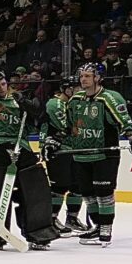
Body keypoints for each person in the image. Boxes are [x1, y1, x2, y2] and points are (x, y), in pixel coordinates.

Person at [0, 69, 57, 250]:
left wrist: (35, 112)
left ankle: (39, 233)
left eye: (3, 84)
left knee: (36, 188)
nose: (1, 88)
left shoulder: (19, 100)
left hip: (21, 147)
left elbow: (36, 124)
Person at [59, 63, 132, 246]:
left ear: (98, 78)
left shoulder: (110, 98)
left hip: (104, 154)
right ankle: (97, 226)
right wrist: (56, 140)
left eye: (87, 76)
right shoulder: (75, 99)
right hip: (81, 154)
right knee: (88, 193)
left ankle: (106, 228)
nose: (83, 79)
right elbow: (69, 126)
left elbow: (124, 121)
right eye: (82, 76)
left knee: (104, 193)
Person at [41, 76, 87, 234]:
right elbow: (67, 127)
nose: (80, 91)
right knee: (59, 186)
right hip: (58, 150)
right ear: (67, 89)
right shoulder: (54, 104)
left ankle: (72, 218)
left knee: (77, 185)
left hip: (74, 149)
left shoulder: (76, 104)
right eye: (76, 88)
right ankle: (51, 219)